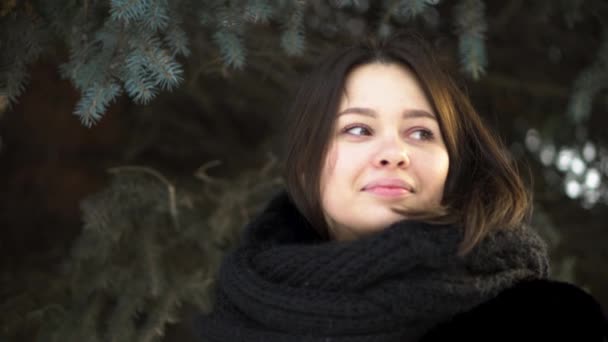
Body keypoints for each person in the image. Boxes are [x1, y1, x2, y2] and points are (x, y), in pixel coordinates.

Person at [195, 32, 607, 341]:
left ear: (453, 167)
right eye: (358, 129)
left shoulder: (549, 319)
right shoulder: (237, 319)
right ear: (306, 167)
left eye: (422, 133)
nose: (394, 153)